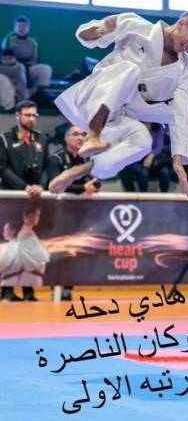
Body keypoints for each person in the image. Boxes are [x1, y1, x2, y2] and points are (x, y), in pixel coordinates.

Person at [47, 11, 188, 196]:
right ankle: (93, 135)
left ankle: (80, 171)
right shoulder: (137, 26)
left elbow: (181, 112)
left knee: (143, 140)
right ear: (182, 23)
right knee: (130, 70)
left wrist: (178, 163)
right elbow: (83, 35)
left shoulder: (183, 67)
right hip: (93, 98)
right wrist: (100, 31)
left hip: (117, 117)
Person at [0, 101, 48, 301]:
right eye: (27, 115)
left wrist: (41, 185)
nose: (31, 119)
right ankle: (7, 291)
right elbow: (2, 168)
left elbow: (46, 167)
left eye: (34, 115)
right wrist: (23, 187)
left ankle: (29, 291)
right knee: (11, 246)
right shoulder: (5, 138)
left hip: (34, 199)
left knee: (29, 246)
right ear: (17, 116)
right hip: (12, 198)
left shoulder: (41, 139)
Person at [46, 126, 99, 301]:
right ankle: (55, 287)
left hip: (80, 213)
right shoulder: (56, 159)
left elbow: (94, 183)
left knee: (74, 251)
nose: (80, 137)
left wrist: (91, 187)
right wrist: (82, 188)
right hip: (58, 213)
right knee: (58, 251)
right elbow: (55, 185)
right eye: (75, 134)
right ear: (66, 138)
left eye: (83, 134)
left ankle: (68, 288)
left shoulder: (88, 160)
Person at [0, 206, 49, 302]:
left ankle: (26, 294)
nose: (4, 232)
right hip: (14, 279)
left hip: (24, 278)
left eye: (6, 229)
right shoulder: (21, 238)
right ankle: (13, 294)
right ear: (27, 216)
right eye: (36, 215)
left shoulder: (22, 238)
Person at [2, 15, 53, 95]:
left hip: (28, 67)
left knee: (46, 69)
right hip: (13, 68)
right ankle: (21, 94)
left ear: (28, 28)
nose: (22, 28)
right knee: (21, 67)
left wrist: (28, 66)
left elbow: (36, 59)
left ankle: (40, 94)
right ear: (15, 27)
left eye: (24, 26)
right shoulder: (9, 38)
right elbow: (6, 58)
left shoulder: (33, 40)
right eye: (19, 26)